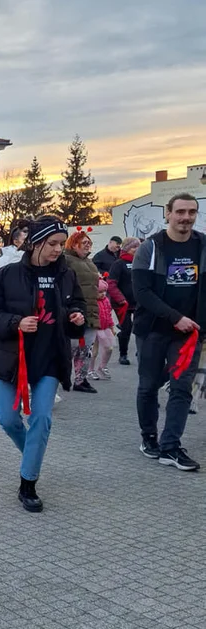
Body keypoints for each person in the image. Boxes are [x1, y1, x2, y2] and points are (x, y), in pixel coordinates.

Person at [0, 216, 86, 512]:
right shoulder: (7, 274)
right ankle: (32, 455)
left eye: (61, 245)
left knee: (41, 419)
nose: (57, 250)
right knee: (7, 418)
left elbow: (77, 306)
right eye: (52, 244)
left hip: (49, 358)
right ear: (35, 242)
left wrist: (77, 318)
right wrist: (16, 322)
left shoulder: (66, 274)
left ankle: (28, 483)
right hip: (10, 358)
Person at [132, 193, 205, 471]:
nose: (186, 217)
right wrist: (176, 317)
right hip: (152, 330)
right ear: (168, 213)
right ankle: (149, 436)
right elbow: (142, 292)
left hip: (189, 334)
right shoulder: (150, 247)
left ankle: (170, 446)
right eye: (180, 212)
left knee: (182, 387)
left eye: (191, 212)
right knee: (148, 385)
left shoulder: (202, 245)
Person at [63, 230, 101, 393]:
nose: (87, 246)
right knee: (70, 348)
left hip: (91, 309)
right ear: (74, 243)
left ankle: (81, 379)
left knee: (86, 348)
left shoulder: (90, 262)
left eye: (89, 243)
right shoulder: (66, 260)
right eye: (84, 243)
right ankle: (62, 377)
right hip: (75, 308)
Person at [107, 237, 140, 365]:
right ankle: (123, 354)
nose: (136, 249)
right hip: (122, 304)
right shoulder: (118, 264)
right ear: (127, 248)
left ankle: (140, 350)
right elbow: (111, 284)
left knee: (140, 327)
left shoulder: (141, 262)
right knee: (126, 329)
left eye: (138, 247)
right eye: (134, 247)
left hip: (138, 302)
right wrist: (120, 299)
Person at [90, 278, 116, 381]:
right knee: (93, 351)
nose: (103, 294)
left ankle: (102, 366)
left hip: (105, 328)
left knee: (109, 348)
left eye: (104, 291)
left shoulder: (106, 301)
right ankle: (90, 370)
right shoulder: (92, 302)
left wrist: (112, 327)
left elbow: (109, 315)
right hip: (95, 328)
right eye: (100, 292)